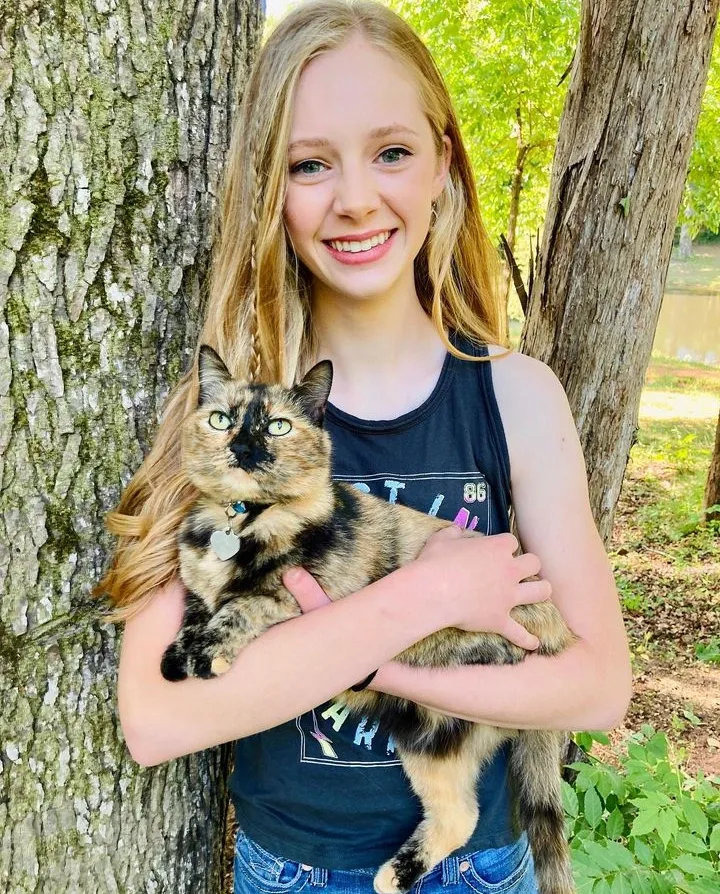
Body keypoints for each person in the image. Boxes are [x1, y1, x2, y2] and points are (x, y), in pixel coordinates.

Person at [102, 2, 632, 893]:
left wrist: (368, 662)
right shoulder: (225, 423)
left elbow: (596, 685)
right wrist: (424, 598)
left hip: (479, 861)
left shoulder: (516, 399)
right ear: (270, 190)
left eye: (391, 152)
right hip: (293, 870)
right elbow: (157, 721)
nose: (354, 197)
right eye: (311, 164)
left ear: (444, 171)